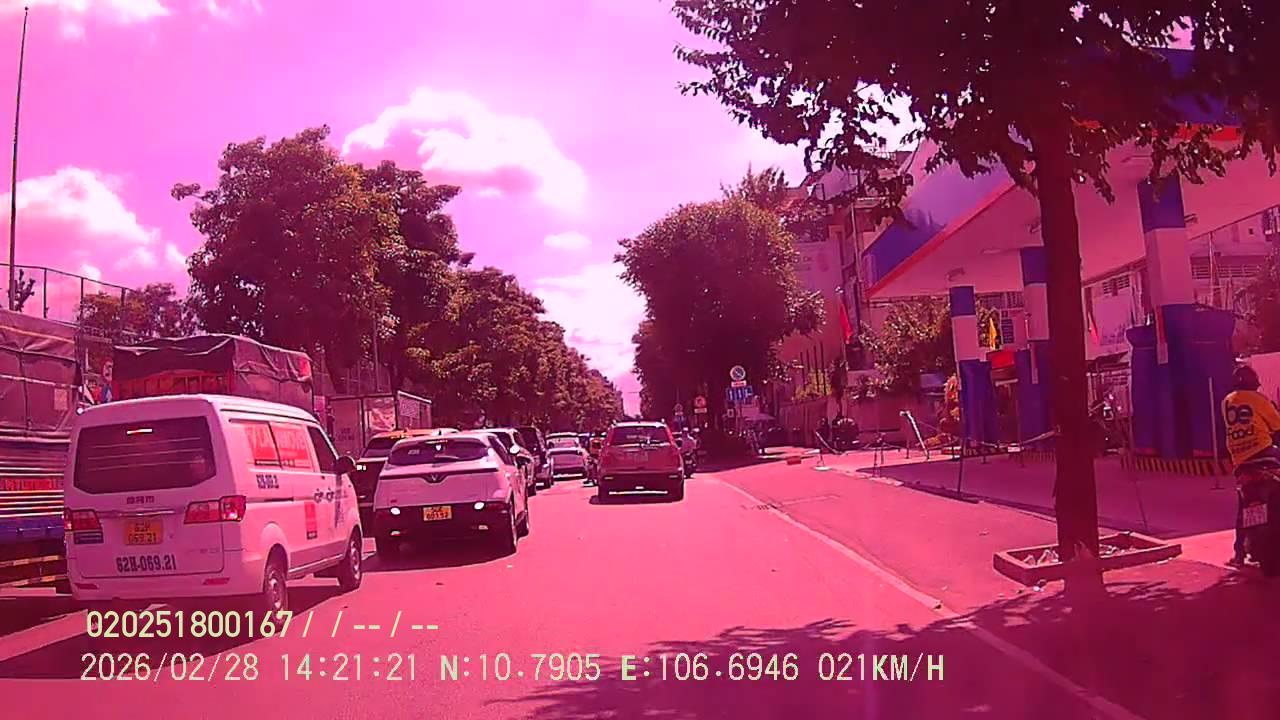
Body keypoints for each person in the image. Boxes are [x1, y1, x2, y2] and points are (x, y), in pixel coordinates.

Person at [1221, 364, 1280, 565]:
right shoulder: (1259, 399)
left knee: (1243, 505)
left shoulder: (1226, 401)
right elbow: (1277, 426)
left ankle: (1239, 554)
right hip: (1264, 453)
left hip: (1240, 460)